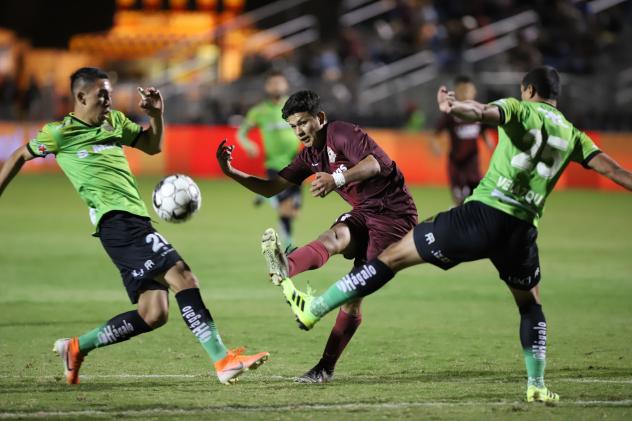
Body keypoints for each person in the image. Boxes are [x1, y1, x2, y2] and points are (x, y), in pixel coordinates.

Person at [269, 66, 632, 402]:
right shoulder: (573, 135)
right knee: (530, 305)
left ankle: (315, 307)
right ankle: (536, 385)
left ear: (529, 90)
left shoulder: (521, 109)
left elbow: (481, 112)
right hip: (522, 231)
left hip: (482, 215)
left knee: (391, 258)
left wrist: (454, 106)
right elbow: (615, 172)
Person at [0, 67, 268, 385]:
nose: (110, 101)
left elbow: (152, 145)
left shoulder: (114, 123)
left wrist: (157, 115)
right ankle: (223, 359)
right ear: (81, 96)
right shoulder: (60, 133)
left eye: (111, 94)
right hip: (116, 221)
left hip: (132, 220)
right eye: (103, 95)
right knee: (183, 276)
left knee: (153, 313)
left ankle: (75, 347)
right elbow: (19, 154)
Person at [216, 90, 418, 383]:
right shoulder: (309, 156)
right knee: (333, 237)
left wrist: (337, 178)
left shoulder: (341, 133)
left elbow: (376, 164)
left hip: (394, 216)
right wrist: (230, 171)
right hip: (364, 212)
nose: (299, 131)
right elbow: (272, 188)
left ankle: (325, 368)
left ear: (319, 119)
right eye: (293, 126)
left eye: (303, 123)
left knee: (353, 297)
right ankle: (285, 267)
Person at [237, 71, 301, 249]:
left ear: (286, 85)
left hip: (297, 163)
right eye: (273, 83)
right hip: (274, 165)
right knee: (285, 207)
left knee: (294, 212)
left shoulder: (296, 107)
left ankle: (267, 195)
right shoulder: (259, 111)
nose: (277, 87)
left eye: (280, 83)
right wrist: (247, 144)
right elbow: (241, 133)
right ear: (267, 87)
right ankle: (288, 244)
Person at [432, 75, 495, 205]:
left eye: (469, 90)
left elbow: (484, 130)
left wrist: (490, 143)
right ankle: (458, 214)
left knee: (477, 195)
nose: (466, 93)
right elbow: (437, 132)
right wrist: (436, 145)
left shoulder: (478, 112)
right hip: (457, 163)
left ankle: (468, 217)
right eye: (463, 90)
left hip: (472, 162)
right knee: (459, 198)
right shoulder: (451, 111)